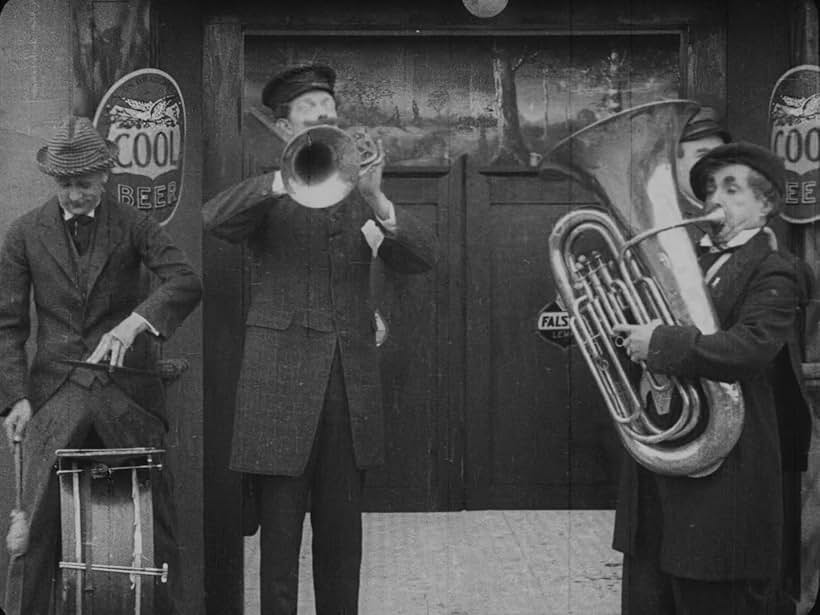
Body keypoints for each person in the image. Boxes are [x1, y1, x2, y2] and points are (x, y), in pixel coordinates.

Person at [202, 64, 438, 614]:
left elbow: (422, 259)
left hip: (347, 391)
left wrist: (378, 199)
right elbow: (214, 219)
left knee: (342, 540)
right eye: (311, 108)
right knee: (279, 545)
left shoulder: (358, 194)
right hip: (280, 392)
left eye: (329, 107)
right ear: (285, 128)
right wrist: (283, 181)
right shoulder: (268, 192)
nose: (325, 114)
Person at [0, 116, 202, 615]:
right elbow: (7, 326)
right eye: (65, 185)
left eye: (84, 184)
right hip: (56, 390)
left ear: (106, 176)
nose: (74, 195)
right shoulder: (24, 232)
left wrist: (136, 322)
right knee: (37, 523)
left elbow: (185, 281)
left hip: (126, 390)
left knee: (158, 524)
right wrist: (16, 397)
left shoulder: (135, 224)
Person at [612, 142, 812, 614]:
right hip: (660, 468)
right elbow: (638, 345)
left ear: (765, 204)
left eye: (731, 188)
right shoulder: (674, 263)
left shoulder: (776, 270)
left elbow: (751, 348)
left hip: (726, 472)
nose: (713, 200)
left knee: (711, 599)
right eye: (707, 189)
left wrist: (659, 343)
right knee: (649, 600)